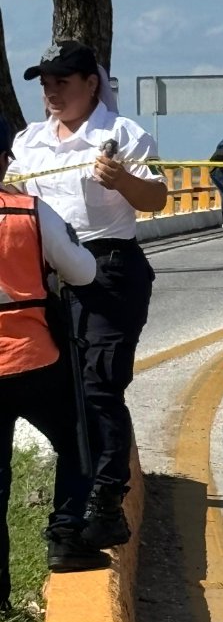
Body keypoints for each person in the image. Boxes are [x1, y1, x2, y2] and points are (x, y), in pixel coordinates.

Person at [8, 40, 168, 549]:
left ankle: (105, 500)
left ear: (90, 84)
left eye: (63, 82)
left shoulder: (121, 135)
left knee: (100, 385)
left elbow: (157, 198)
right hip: (45, 276)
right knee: (65, 389)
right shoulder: (30, 140)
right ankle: (72, 508)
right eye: (46, 84)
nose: (52, 93)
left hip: (108, 267)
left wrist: (121, 179)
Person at [0, 114, 110, 596]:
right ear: (5, 159)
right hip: (34, 361)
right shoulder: (30, 212)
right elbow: (83, 272)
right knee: (81, 438)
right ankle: (66, 534)